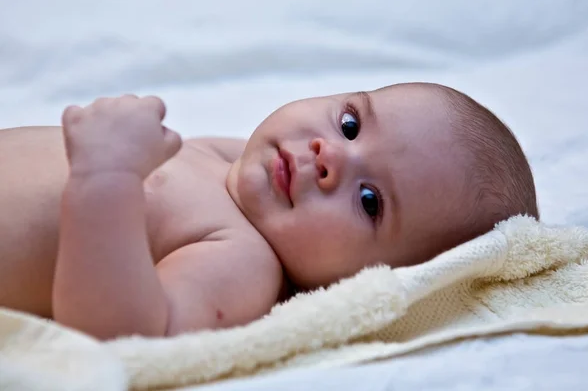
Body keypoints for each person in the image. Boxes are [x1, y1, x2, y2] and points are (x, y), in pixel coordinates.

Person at [0, 82, 538, 340]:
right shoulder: (226, 160)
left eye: (370, 201)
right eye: (350, 123)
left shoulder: (242, 261)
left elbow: (122, 332)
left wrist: (104, 176)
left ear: (367, 277)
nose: (329, 157)